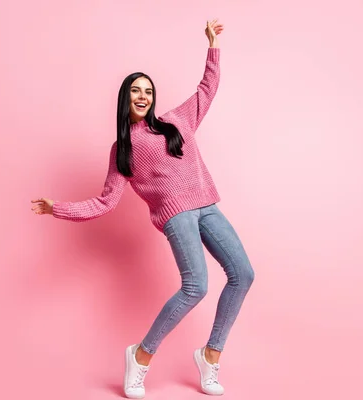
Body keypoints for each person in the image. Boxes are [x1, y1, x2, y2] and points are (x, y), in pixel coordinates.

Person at [31, 19, 254, 398]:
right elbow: (105, 202)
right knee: (195, 286)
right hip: (176, 217)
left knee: (243, 274)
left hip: (208, 205)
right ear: (125, 98)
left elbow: (207, 89)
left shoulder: (176, 121)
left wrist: (213, 47)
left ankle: (210, 355)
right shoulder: (123, 151)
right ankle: (141, 355)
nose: (143, 96)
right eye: (135, 90)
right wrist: (58, 209)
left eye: (147, 91)